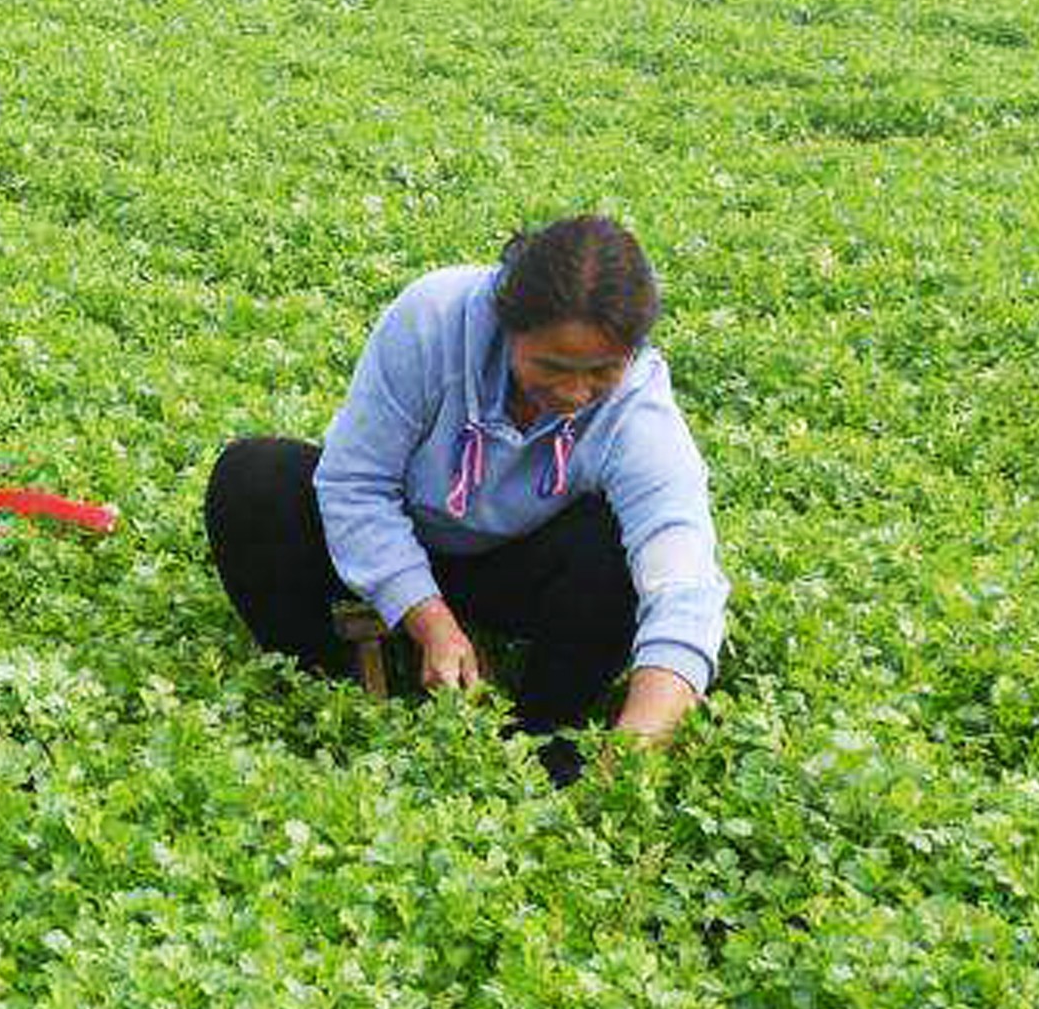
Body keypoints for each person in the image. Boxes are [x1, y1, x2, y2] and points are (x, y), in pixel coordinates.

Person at [202, 214, 728, 785]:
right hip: (402, 531)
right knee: (253, 480)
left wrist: (640, 742)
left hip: (510, 564)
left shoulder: (638, 408)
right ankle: (327, 687)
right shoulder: (432, 320)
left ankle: (542, 734)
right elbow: (357, 484)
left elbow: (682, 580)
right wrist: (429, 620)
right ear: (509, 327)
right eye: (550, 367)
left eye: (601, 370)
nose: (575, 394)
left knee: (610, 546)